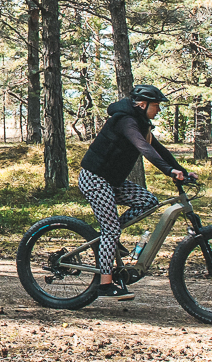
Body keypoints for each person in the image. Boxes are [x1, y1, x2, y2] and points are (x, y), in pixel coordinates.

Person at [79, 83, 197, 301]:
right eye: (156, 105)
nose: (159, 110)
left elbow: (159, 149)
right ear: (142, 105)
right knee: (111, 230)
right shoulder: (125, 121)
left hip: (112, 181)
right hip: (94, 179)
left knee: (149, 201)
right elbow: (144, 149)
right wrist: (169, 171)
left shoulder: (141, 122)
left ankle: (110, 238)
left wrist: (182, 171)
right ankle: (105, 285)